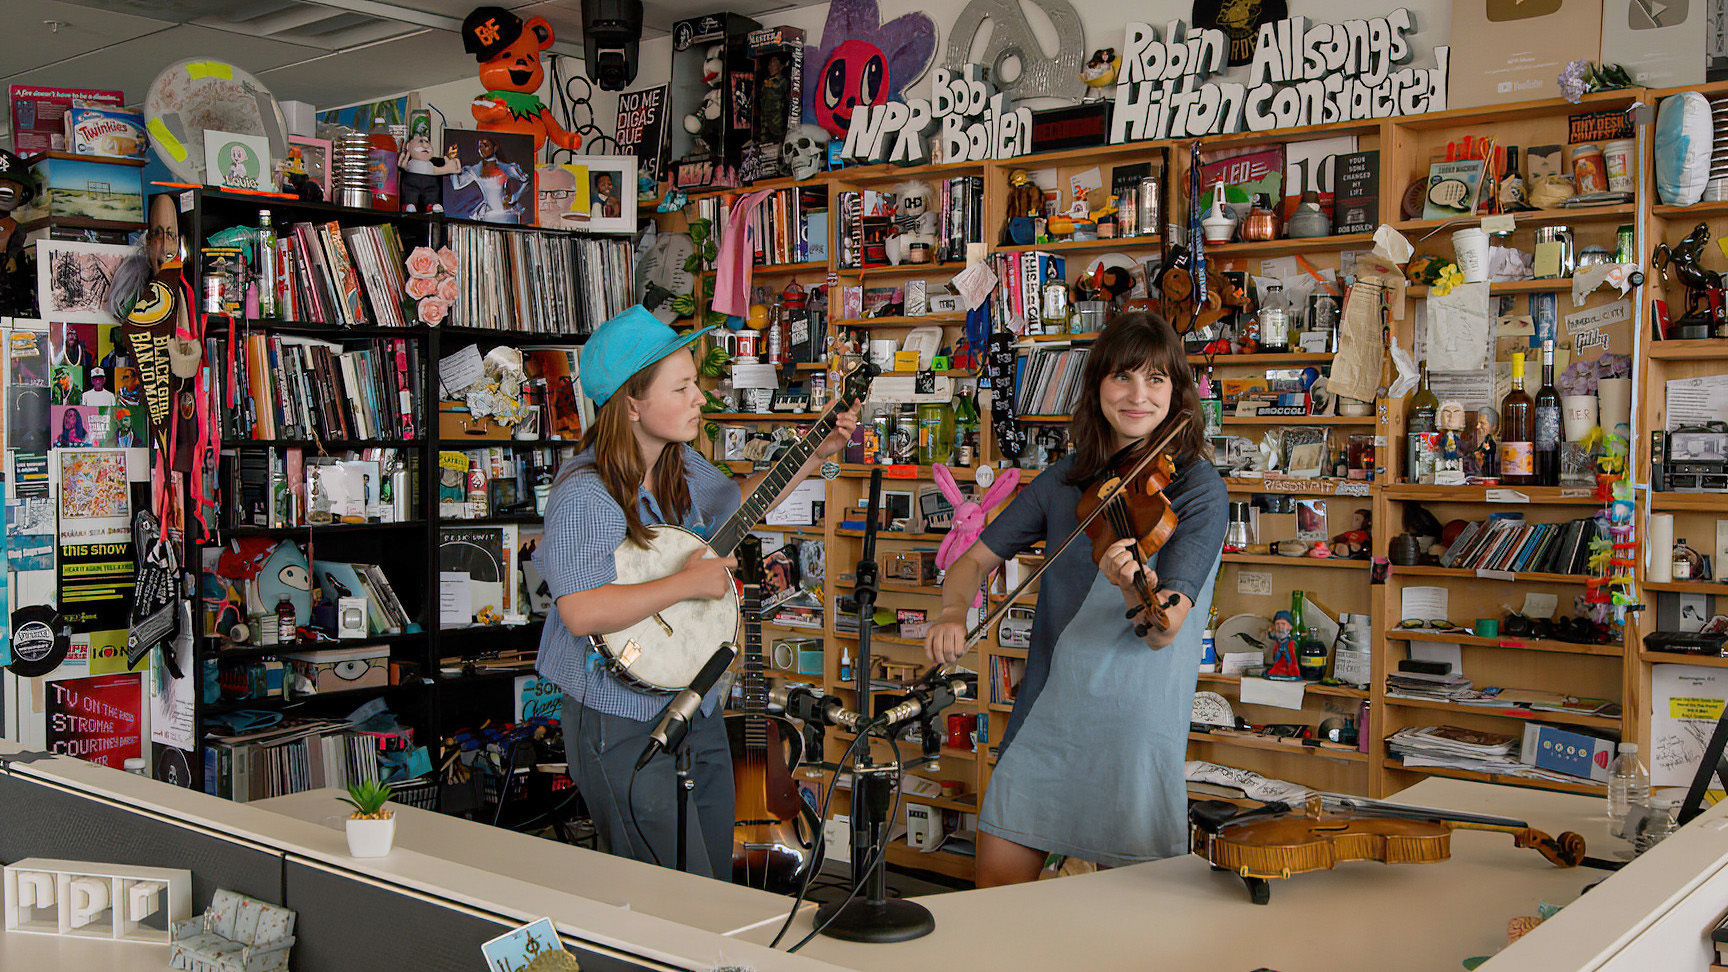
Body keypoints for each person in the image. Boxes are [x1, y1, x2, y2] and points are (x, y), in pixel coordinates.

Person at [534, 305, 858, 878]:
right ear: (631, 404)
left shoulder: (679, 465)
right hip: (618, 714)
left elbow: (736, 502)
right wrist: (687, 582)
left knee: (711, 878)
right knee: (658, 885)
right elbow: (582, 611)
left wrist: (815, 454)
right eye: (681, 388)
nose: (699, 399)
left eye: (696, 384)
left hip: (693, 699)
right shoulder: (586, 494)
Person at [923, 312, 1227, 887]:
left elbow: (1165, 631)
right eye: (1123, 378)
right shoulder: (1064, 481)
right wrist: (950, 612)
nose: (1139, 396)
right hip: (1045, 710)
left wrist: (1129, 586)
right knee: (997, 903)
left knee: (1127, 928)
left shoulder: (1198, 489)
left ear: (1177, 391)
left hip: (1133, 723)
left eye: (1156, 380)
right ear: (1097, 389)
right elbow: (971, 562)